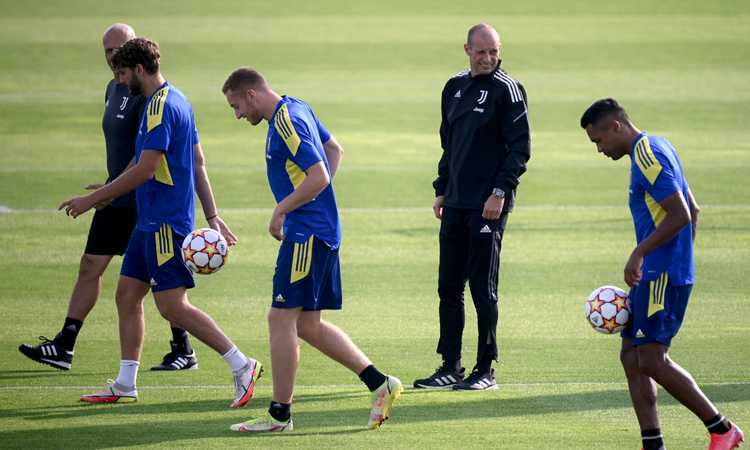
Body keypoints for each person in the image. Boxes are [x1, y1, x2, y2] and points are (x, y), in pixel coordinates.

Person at [59, 38, 261, 407]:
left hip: (165, 225)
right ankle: (125, 383)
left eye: (122, 73)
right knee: (126, 295)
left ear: (138, 69)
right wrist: (212, 215)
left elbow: (147, 168)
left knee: (171, 305)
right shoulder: (178, 99)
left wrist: (93, 200)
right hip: (149, 222)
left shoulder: (157, 109)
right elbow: (192, 163)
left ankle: (242, 364)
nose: (119, 81)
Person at [221, 68, 402, 432]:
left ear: (252, 95)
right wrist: (316, 200)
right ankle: (380, 384)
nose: (238, 114)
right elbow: (335, 149)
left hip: (307, 234)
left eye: (236, 105)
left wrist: (285, 208)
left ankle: (279, 415)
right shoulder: (296, 106)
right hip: (318, 229)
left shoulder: (285, 121)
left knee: (280, 318)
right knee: (306, 324)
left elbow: (318, 174)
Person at [18, 24, 198, 372]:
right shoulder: (113, 89)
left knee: (161, 281)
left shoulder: (150, 94)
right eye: (107, 51)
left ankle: (186, 348)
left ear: (136, 54)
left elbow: (148, 155)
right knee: (94, 267)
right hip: (115, 195)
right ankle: (65, 344)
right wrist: (107, 188)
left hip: (140, 198)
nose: (113, 56)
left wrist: (105, 191)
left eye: (120, 49)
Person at [580, 98, 744, 450]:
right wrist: (678, 256)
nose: (599, 150)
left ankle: (721, 428)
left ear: (616, 127)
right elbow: (694, 208)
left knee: (653, 359)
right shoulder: (658, 145)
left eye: (599, 141)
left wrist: (643, 254)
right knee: (631, 356)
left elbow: (681, 213)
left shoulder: (647, 155)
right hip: (657, 272)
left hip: (660, 276)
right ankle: (652, 443)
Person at [414, 23, 531, 391]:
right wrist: (442, 188)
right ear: (467, 49)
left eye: (494, 51)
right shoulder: (454, 87)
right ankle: (450, 366)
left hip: (488, 206)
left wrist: (499, 192)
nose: (488, 58)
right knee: (449, 287)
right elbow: (449, 144)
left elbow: (520, 148)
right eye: (481, 52)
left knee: (483, 288)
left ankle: (486, 369)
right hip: (457, 202)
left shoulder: (509, 91)